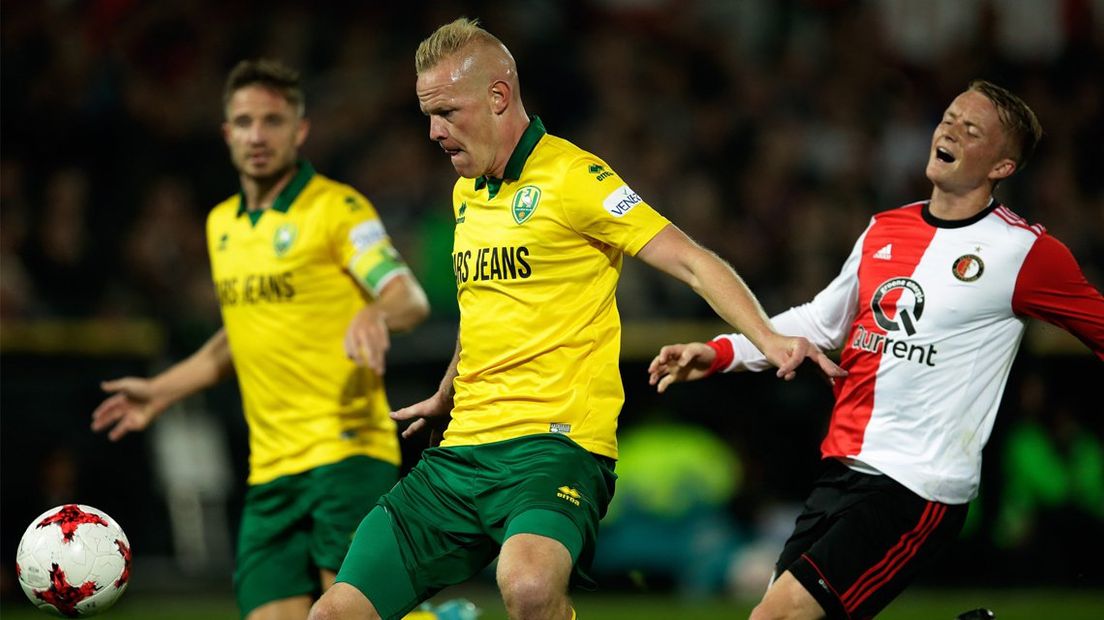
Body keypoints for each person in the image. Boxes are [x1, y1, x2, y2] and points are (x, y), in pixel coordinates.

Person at [309, 18, 844, 620]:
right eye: (427, 115)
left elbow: (692, 261)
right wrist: (444, 392)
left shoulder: (574, 178)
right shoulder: (467, 191)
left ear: (498, 96)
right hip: (461, 452)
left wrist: (766, 336)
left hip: (555, 446)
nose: (434, 132)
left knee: (530, 589)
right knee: (334, 614)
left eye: (447, 112)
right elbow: (483, 305)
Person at [648, 80, 1104, 619]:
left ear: (1001, 167)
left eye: (971, 129)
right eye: (950, 118)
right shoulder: (885, 228)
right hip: (841, 469)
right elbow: (821, 321)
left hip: (916, 485)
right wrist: (719, 352)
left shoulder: (1025, 253)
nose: (949, 130)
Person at [91, 59, 430, 620]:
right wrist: (162, 391)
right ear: (226, 132)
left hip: (345, 455)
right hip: (270, 470)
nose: (257, 135)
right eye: (244, 121)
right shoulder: (221, 224)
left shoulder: (338, 209)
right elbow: (239, 336)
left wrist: (376, 312)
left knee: (345, 613)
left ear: (299, 130)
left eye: (273, 121)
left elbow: (407, 297)